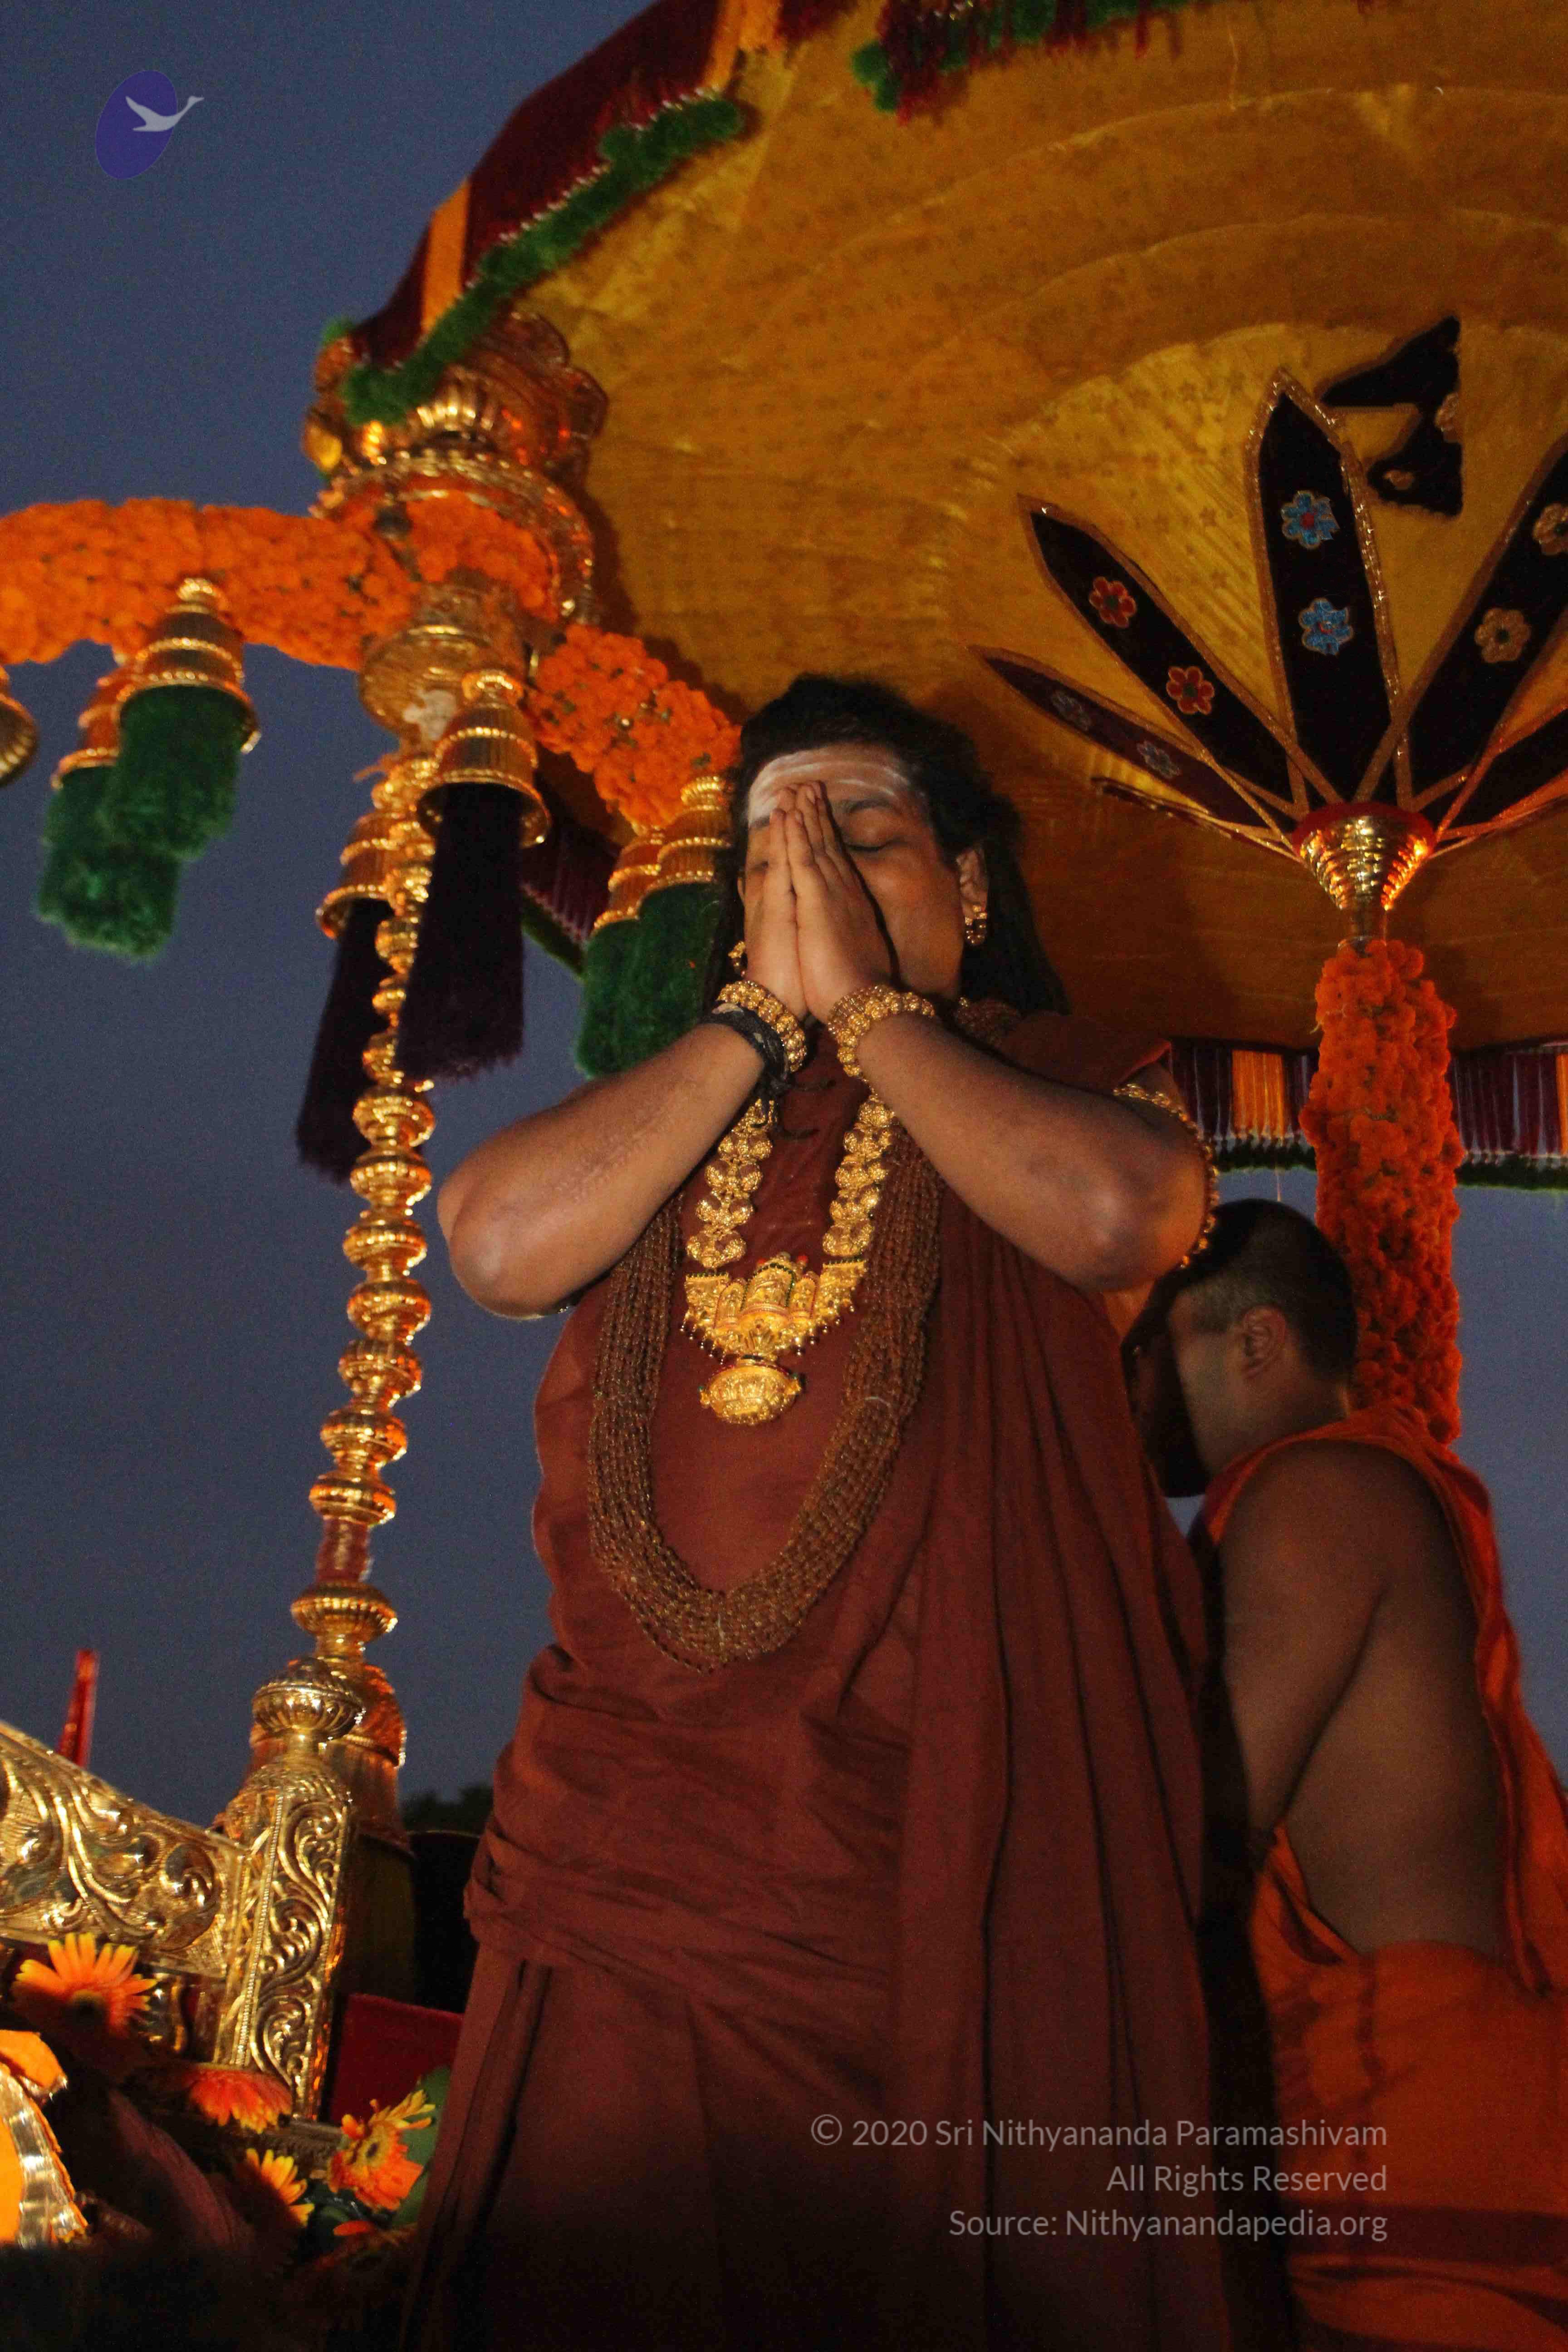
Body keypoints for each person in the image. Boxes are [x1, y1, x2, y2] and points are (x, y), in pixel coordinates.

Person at [404, 676, 1232, 2351]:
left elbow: (1118, 1214)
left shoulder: (1055, 1085)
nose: (817, 878)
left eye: (863, 834)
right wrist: (759, 1028)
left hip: (936, 1855)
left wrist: (866, 1013)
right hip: (635, 1858)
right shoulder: (684, 1110)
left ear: (971, 886)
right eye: (773, 851)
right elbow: (491, 1244)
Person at [1127, 1198, 1568, 2349]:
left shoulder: (1312, 1490)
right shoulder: (1379, 1479)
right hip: (1445, 2111)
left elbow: (1200, 1827)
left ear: (1257, 1342)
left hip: (1411, 2133)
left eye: (1155, 1344)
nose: (1139, 1383)